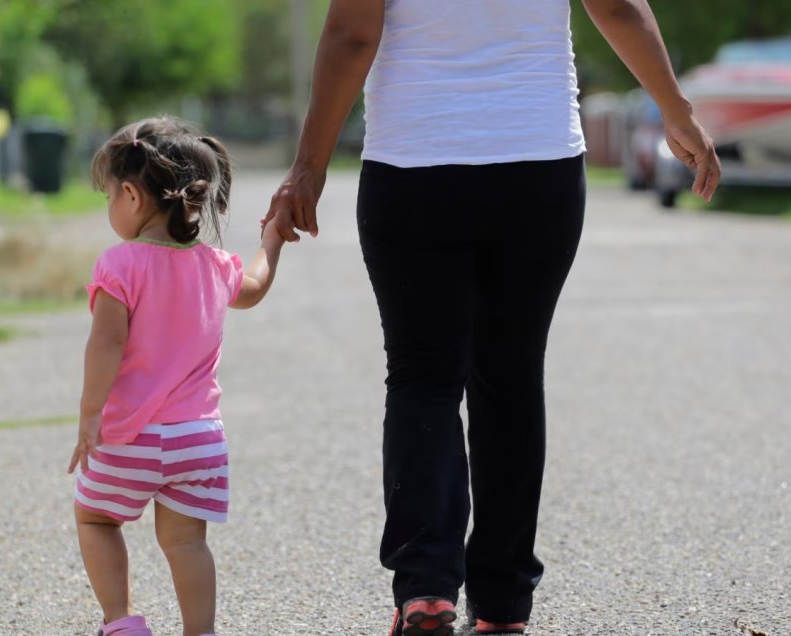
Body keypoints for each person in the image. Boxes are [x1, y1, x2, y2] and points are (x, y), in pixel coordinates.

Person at [266, 1, 721, 635]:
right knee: (509, 377)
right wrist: (678, 111)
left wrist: (309, 165)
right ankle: (504, 603)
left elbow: (350, 32)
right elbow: (617, 6)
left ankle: (426, 588)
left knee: (424, 377)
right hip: (537, 165)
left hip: (416, 165)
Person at [67, 115, 284, 636]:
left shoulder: (119, 265)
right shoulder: (213, 263)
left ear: (131, 195)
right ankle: (200, 632)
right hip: (198, 439)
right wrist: (272, 239)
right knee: (188, 543)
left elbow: (107, 345)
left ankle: (121, 623)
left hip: (129, 436)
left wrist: (90, 413)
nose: (109, 209)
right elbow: (254, 286)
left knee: (96, 519)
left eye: (109, 198)